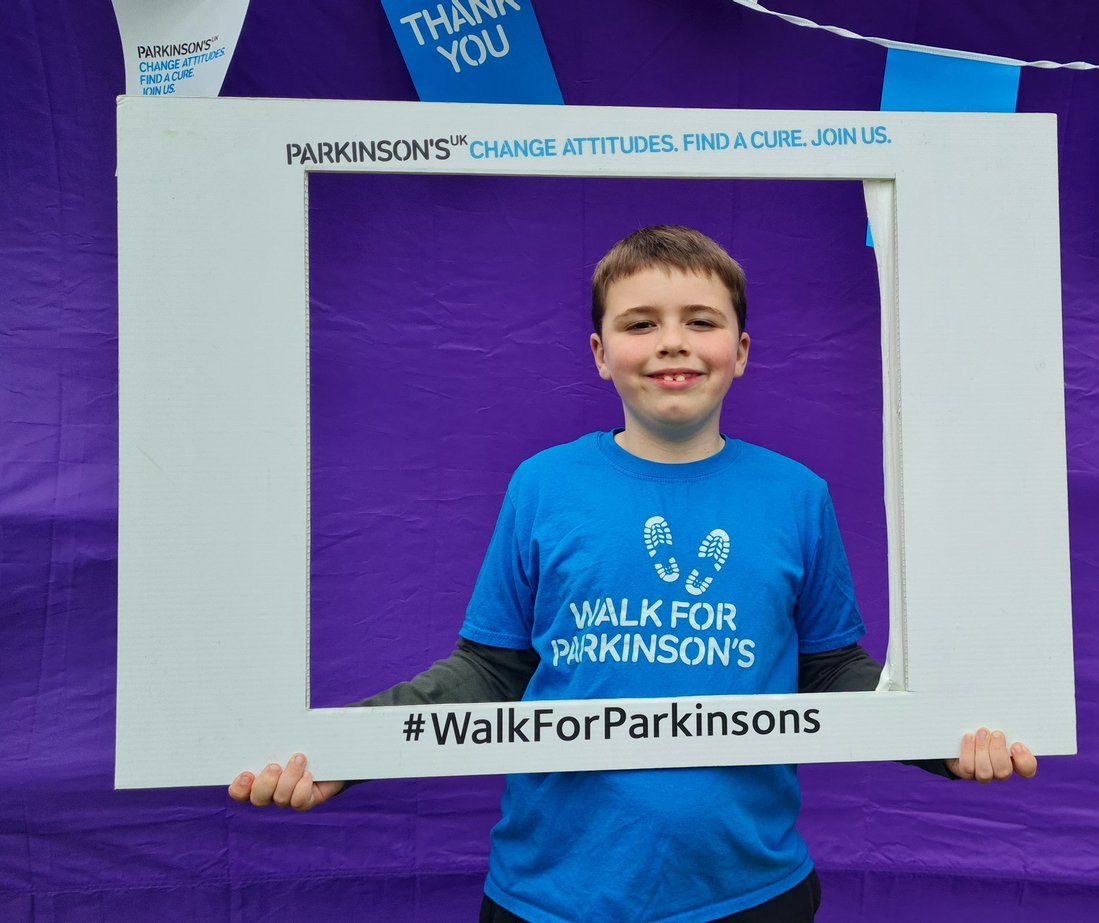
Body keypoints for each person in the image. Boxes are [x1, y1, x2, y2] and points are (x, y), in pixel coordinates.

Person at [229, 226, 1037, 922]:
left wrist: (951, 736)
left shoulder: (798, 496)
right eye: (641, 323)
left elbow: (829, 668)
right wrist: (347, 746)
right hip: (552, 890)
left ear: (742, 350)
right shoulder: (543, 485)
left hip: (749, 890)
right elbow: (489, 666)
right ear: (601, 352)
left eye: (701, 321)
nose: (672, 342)